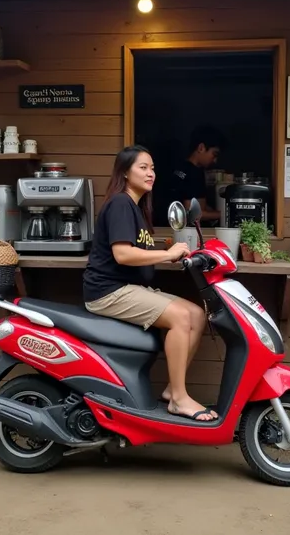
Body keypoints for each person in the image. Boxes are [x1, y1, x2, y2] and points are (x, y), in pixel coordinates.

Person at [83, 145, 217, 422]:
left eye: (152, 168)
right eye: (143, 167)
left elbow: (138, 249)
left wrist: (169, 250)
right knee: (181, 317)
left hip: (130, 289)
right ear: (124, 172)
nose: (150, 173)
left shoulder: (137, 208)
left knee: (196, 314)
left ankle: (171, 391)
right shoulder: (121, 203)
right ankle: (180, 399)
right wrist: (166, 253)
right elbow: (122, 254)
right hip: (109, 291)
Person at [171, 125, 225, 224]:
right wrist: (225, 214)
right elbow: (192, 213)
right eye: (214, 154)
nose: (215, 160)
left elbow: (197, 202)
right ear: (201, 148)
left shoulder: (181, 167)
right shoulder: (194, 173)